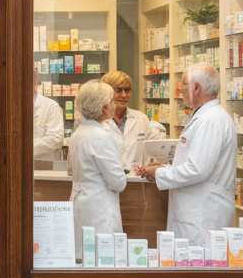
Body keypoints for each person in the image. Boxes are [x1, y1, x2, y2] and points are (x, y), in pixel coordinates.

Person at [135, 62, 236, 247]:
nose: (179, 88)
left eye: (182, 83)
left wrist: (158, 174)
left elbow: (197, 169)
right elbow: (195, 163)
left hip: (203, 215)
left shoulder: (210, 120)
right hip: (196, 212)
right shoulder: (204, 117)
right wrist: (163, 168)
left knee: (200, 271)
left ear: (196, 88)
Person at [68, 80, 127, 245]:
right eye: (112, 101)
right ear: (105, 108)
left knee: (83, 254)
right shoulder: (102, 137)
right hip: (100, 209)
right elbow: (118, 183)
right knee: (102, 258)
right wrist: (122, 172)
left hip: (80, 203)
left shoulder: (78, 134)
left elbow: (71, 170)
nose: (115, 105)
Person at [100, 70, 168, 170]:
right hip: (107, 182)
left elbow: (153, 153)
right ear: (106, 92)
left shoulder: (141, 118)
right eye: (118, 90)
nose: (124, 95)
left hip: (136, 180)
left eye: (127, 90)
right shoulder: (98, 120)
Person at [34, 67, 65, 166]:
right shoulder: (10, 106)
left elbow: (56, 139)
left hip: (44, 166)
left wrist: (24, 146)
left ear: (37, 83)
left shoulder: (51, 106)